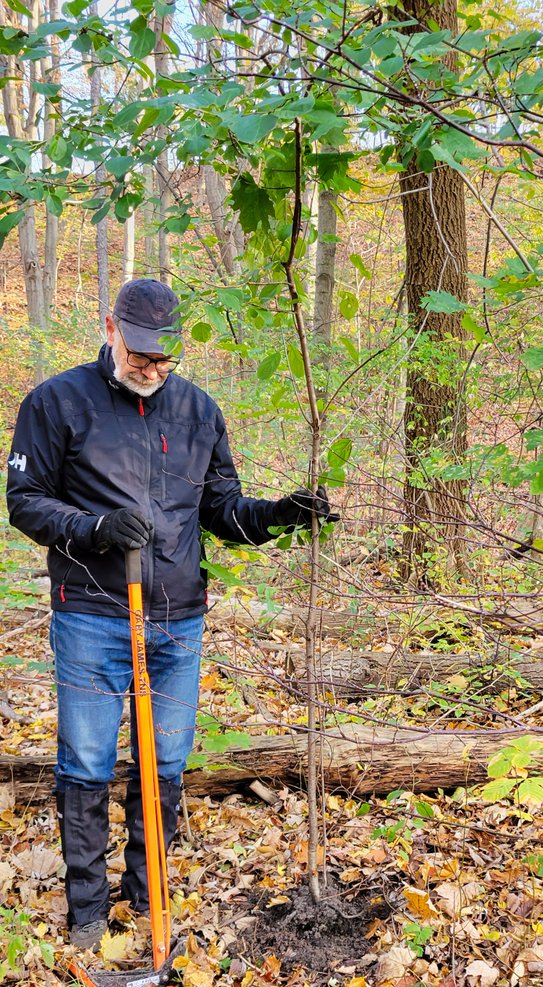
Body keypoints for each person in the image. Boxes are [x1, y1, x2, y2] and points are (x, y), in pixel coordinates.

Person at [7, 278, 337, 950]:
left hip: (177, 619)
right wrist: (97, 528)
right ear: (111, 330)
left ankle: (147, 892)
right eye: (142, 357)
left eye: (165, 360)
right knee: (89, 759)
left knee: (166, 762)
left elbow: (223, 511)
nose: (153, 371)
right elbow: (24, 501)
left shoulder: (197, 411)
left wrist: (280, 516)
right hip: (92, 614)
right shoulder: (56, 403)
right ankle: (89, 914)